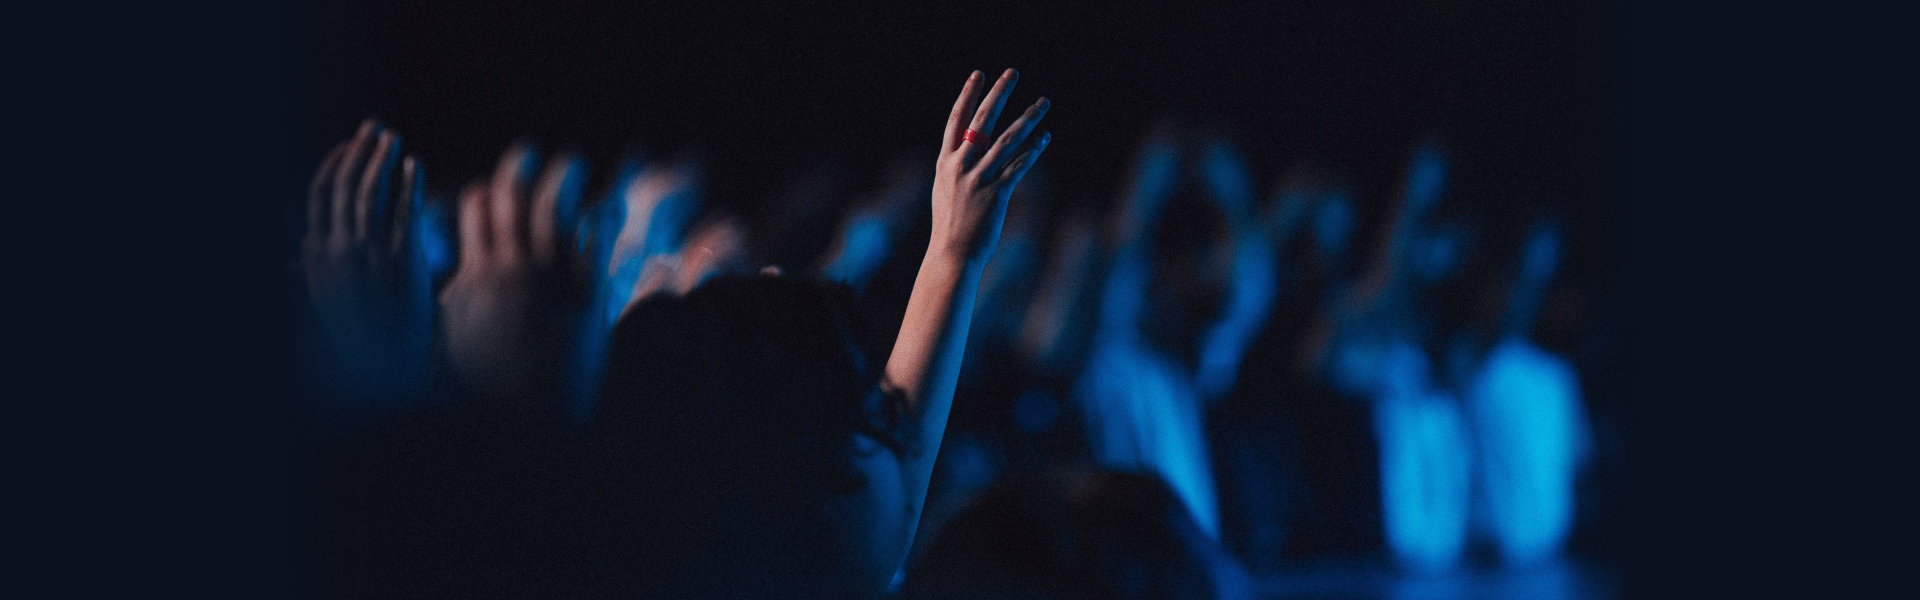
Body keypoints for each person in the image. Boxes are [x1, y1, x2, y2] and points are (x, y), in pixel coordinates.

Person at [588, 68, 1052, 598]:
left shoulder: (815, 555)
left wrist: (954, 252)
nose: (772, 272)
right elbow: (902, 460)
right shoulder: (844, 557)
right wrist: (954, 252)